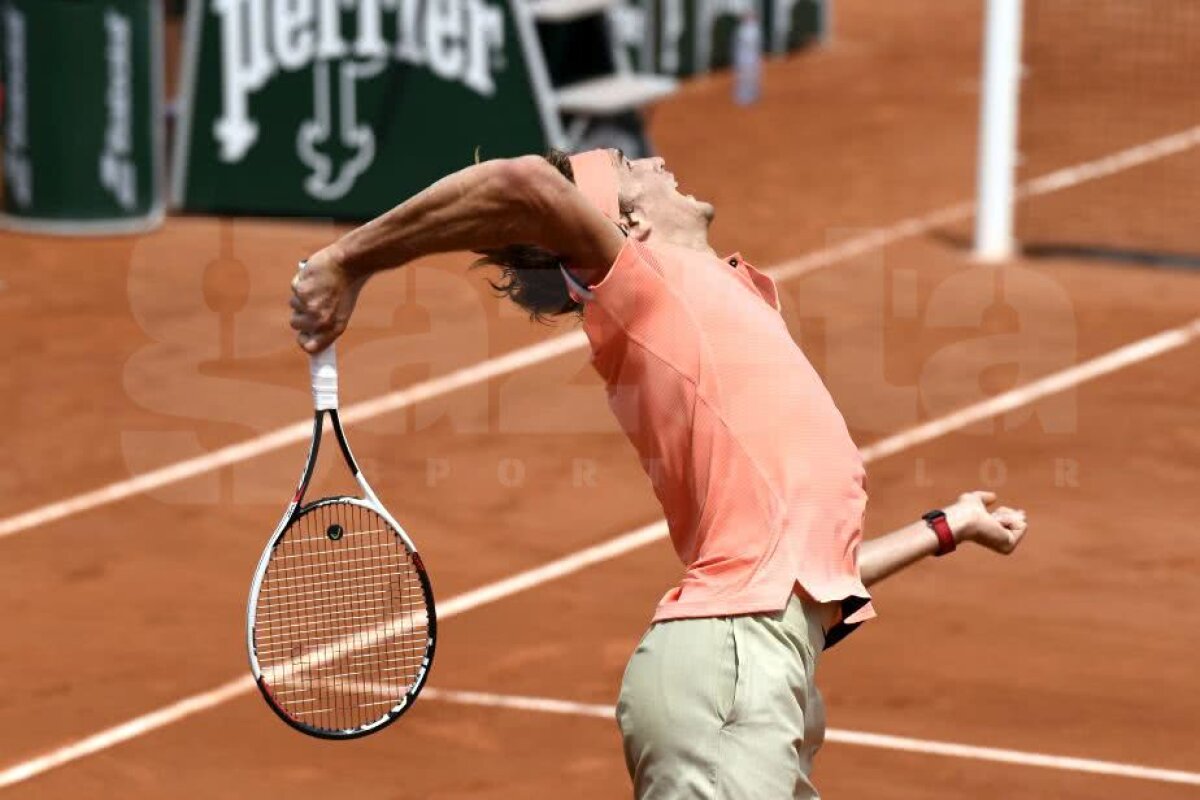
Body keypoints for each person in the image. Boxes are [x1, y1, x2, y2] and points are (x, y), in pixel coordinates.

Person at [289, 149, 1029, 799]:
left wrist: (945, 527)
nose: (655, 161)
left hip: (758, 672)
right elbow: (517, 182)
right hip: (727, 681)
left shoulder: (722, 302)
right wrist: (349, 260)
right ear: (627, 222)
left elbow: (806, 584)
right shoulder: (648, 285)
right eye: (629, 165)